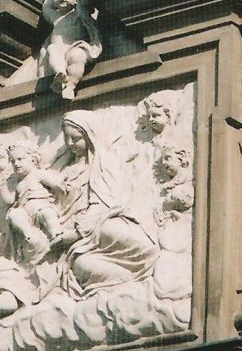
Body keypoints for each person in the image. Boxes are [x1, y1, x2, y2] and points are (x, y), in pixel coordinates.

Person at [41, 110, 159, 295]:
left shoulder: (104, 163)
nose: (70, 143)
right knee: (81, 265)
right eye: (66, 137)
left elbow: (105, 204)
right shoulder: (61, 168)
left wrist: (77, 233)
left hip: (96, 226)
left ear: (90, 137)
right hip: (78, 242)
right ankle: (131, 284)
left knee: (110, 229)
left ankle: (145, 263)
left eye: (76, 138)